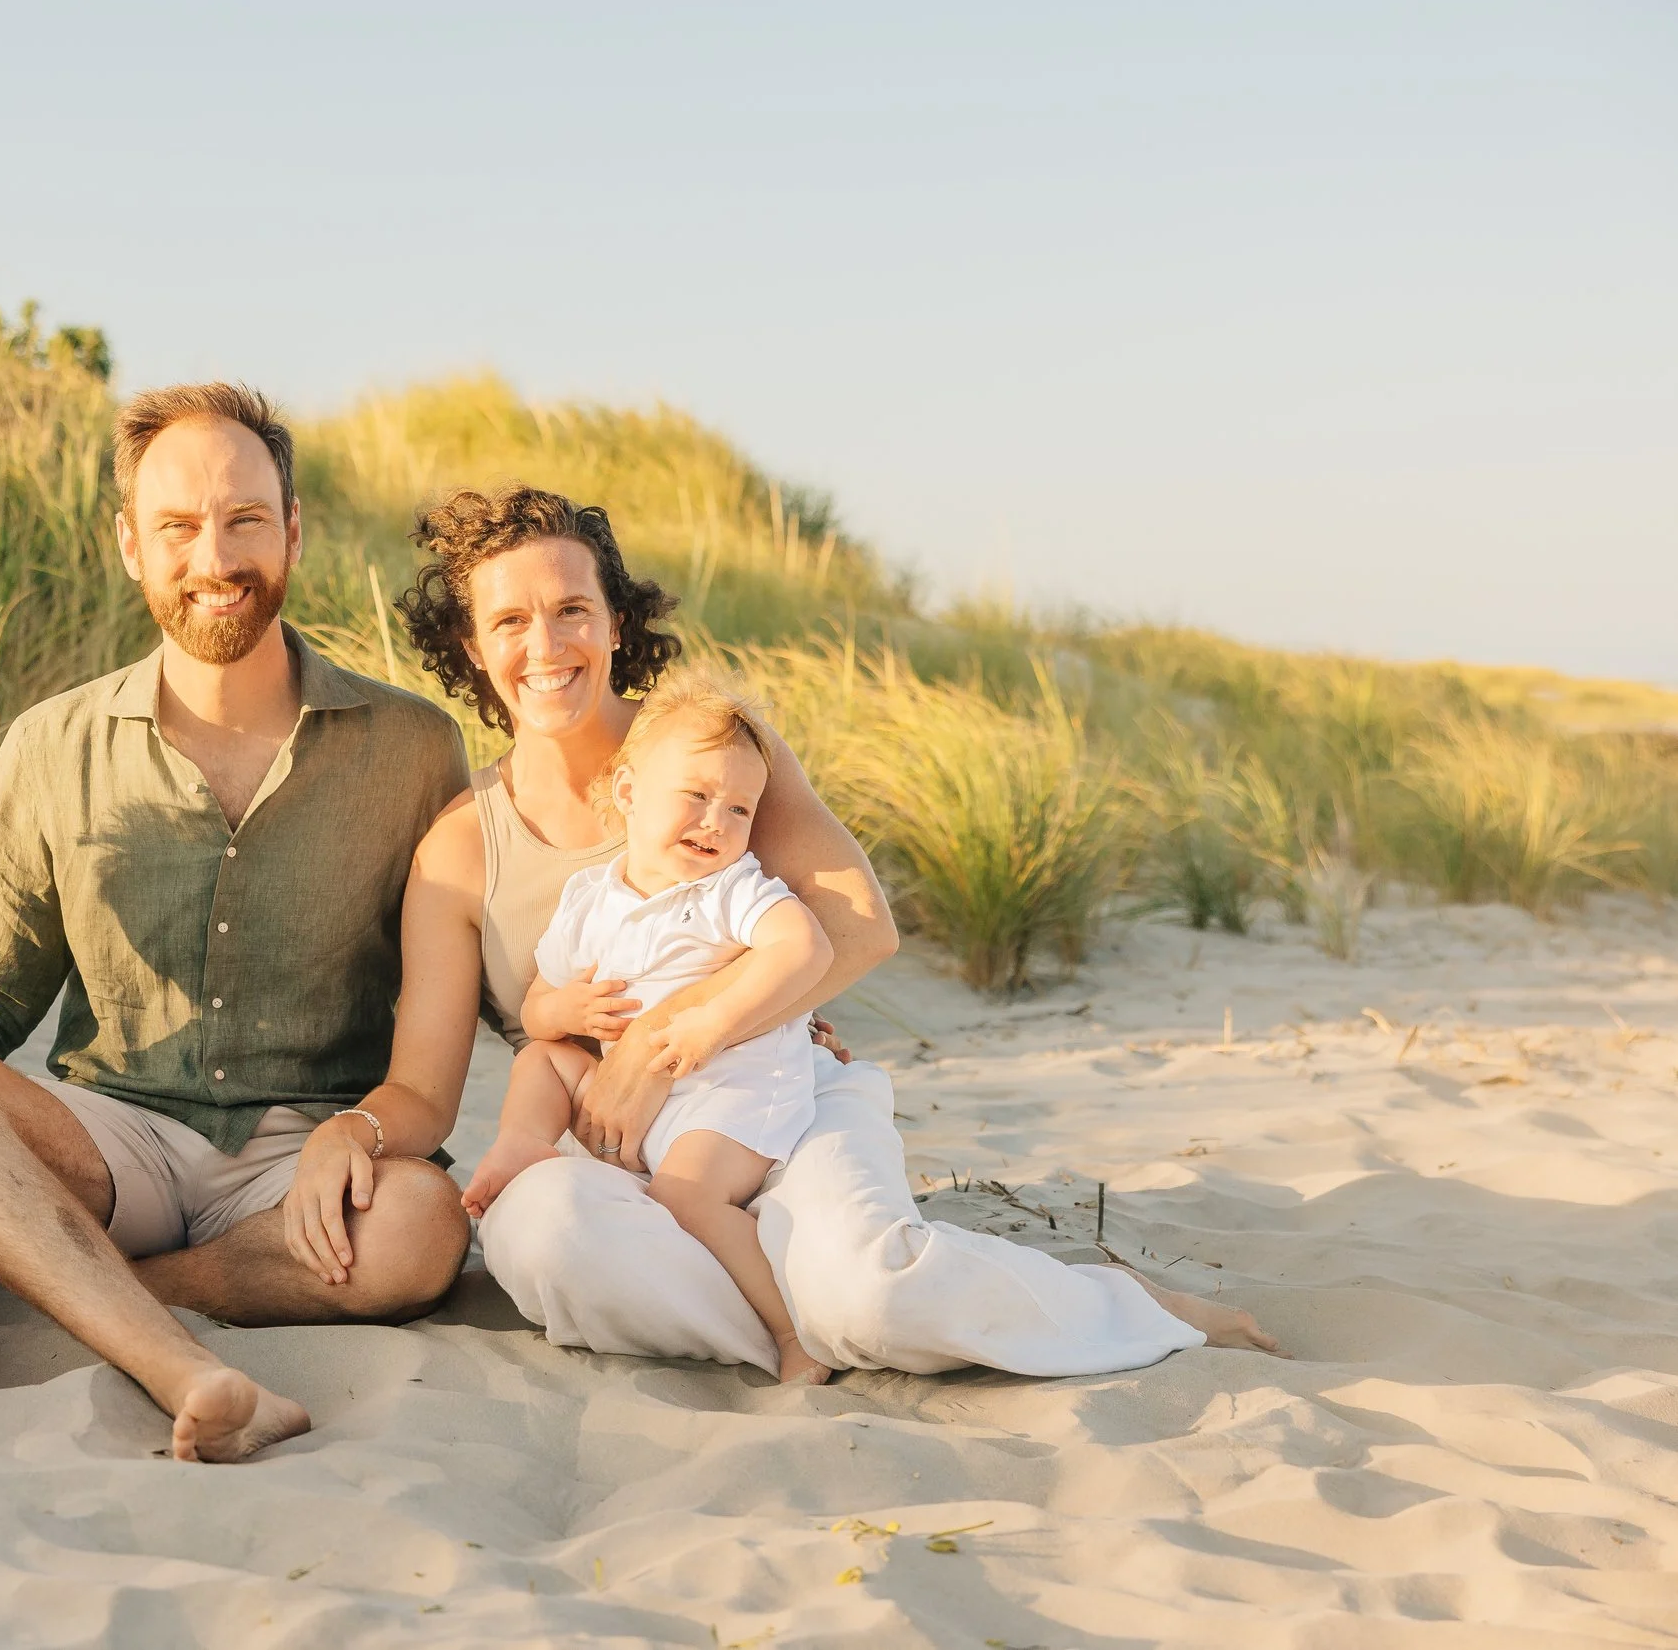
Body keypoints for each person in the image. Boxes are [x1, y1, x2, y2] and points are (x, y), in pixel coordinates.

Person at [398, 484, 1278, 1377]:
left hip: (772, 1097)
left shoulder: (712, 751)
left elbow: (859, 930)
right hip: (607, 1151)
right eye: (510, 620)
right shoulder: (463, 846)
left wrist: (661, 1040)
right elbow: (423, 1090)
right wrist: (349, 1136)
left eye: (572, 609)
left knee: (871, 1292)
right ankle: (815, 1325)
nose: (544, 645)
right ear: (473, 647)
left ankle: (1091, 1304)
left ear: (616, 623)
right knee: (551, 1243)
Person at [0, 383, 476, 1464]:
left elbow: (488, 964)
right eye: (178, 527)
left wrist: (744, 1013)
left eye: (246, 518)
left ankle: (73, 1273)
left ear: (292, 528)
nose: (215, 556)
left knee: (424, 1225)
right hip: (112, 1141)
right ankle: (175, 1357)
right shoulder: (50, 744)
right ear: (129, 546)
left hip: (305, 1163)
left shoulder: (414, 745)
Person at [465, 674, 837, 1382]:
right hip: (633, 1098)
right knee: (541, 1057)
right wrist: (565, 1013)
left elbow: (807, 947)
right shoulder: (591, 898)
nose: (716, 823)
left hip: (731, 1094)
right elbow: (537, 1003)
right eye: (696, 797)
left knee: (685, 1193)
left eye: (739, 808)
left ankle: (795, 1334)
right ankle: (520, 1143)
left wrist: (713, 1021)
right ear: (630, 793)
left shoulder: (731, 890)